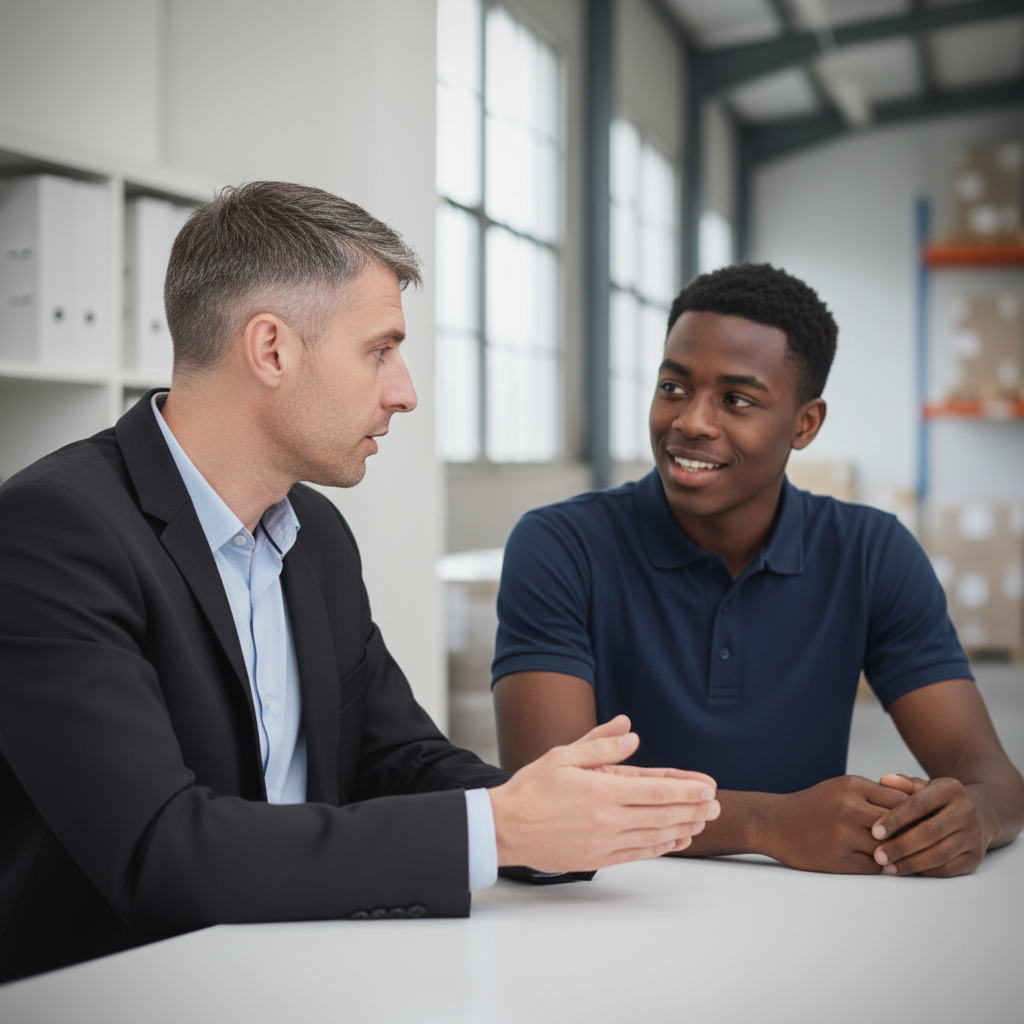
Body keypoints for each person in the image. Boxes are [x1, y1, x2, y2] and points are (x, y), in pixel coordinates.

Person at [0, 182, 721, 981]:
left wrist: (563, 815)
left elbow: (402, 760)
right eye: (380, 349)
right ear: (271, 349)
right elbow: (161, 853)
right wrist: (498, 829)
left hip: (301, 961)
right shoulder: (54, 533)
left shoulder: (317, 537)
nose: (403, 391)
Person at [493, 262, 1024, 879]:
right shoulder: (560, 545)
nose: (691, 421)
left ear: (806, 424)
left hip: (802, 918)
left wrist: (973, 815)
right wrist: (767, 824)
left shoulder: (871, 552)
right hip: (611, 904)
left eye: (737, 399)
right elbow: (546, 803)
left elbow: (991, 772)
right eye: (673, 387)